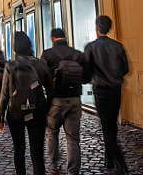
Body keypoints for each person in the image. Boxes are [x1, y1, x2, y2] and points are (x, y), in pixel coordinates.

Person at [0, 31, 52, 175]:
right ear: (29, 46)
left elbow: (4, 95)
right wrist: (46, 109)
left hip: (15, 112)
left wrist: (0, 118)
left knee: (19, 150)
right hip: (37, 112)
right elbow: (50, 89)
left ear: (15, 48)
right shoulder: (40, 63)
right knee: (37, 152)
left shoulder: (10, 65)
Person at [84, 15, 129, 175]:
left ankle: (120, 163)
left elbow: (87, 73)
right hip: (115, 90)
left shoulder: (90, 47)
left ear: (97, 28)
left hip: (101, 91)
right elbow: (125, 69)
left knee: (106, 126)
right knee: (112, 124)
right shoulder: (118, 46)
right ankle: (108, 158)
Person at [41, 28, 89, 175]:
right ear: (64, 37)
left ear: (53, 38)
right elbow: (87, 78)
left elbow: (42, 77)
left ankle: (54, 165)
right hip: (74, 100)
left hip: (55, 100)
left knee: (52, 132)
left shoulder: (47, 54)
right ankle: (73, 171)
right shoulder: (77, 54)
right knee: (73, 138)